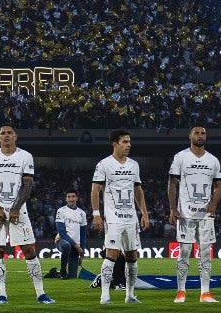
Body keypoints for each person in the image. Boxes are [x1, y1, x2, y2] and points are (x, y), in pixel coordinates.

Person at [0, 124, 55, 305]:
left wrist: (15, 209)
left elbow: (27, 184)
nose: (6, 136)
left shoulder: (25, 156)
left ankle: (41, 294)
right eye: (3, 133)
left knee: (29, 249)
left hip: (19, 210)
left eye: (9, 133)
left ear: (16, 136)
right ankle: (1, 295)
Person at [91, 129, 150, 304]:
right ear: (115, 144)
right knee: (112, 254)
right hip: (113, 218)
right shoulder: (104, 164)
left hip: (131, 219)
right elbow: (95, 190)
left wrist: (144, 213)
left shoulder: (134, 165)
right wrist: (96, 214)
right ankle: (104, 295)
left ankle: (130, 295)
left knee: (132, 256)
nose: (129, 145)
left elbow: (138, 191)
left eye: (129, 142)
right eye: (125, 142)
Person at [168, 124, 221, 303]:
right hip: (185, 213)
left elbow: (219, 186)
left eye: (203, 133)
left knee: (206, 252)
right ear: (189, 136)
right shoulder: (181, 157)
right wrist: (172, 208)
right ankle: (181, 291)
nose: (200, 136)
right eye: (197, 133)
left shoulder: (213, 160)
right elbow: (172, 183)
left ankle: (205, 292)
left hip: (206, 214)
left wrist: (214, 204)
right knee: (184, 251)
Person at [55, 189, 87, 280]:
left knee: (72, 276)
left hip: (76, 246)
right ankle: (62, 271)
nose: (71, 199)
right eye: (69, 197)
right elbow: (62, 232)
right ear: (66, 199)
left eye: (73, 196)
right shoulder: (61, 211)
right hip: (61, 241)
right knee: (66, 245)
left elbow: (83, 234)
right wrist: (76, 245)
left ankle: (54, 273)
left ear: (77, 198)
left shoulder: (82, 213)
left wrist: (82, 251)